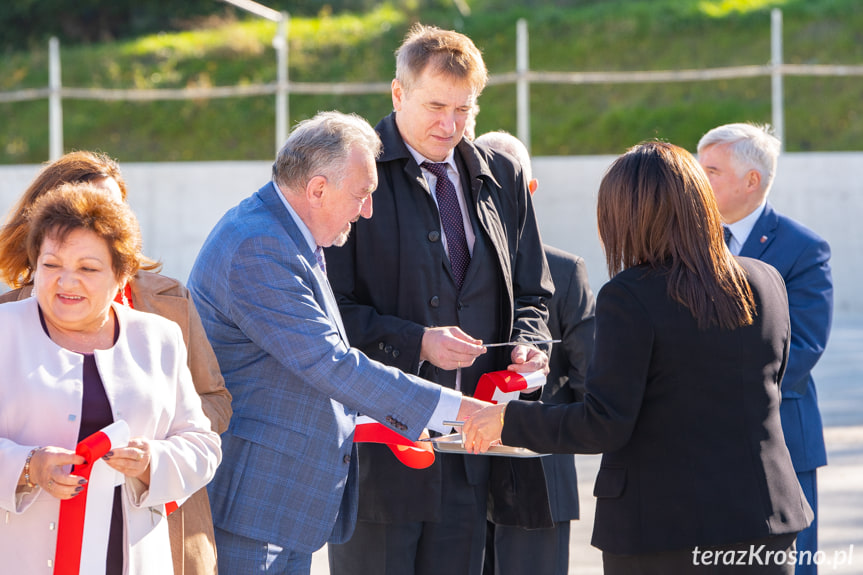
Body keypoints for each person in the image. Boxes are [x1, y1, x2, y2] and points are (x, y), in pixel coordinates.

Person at [463, 142, 813, 574]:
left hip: (664, 530)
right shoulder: (766, 279)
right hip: (767, 518)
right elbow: (770, 384)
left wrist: (508, 419)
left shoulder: (631, 295)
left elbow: (604, 423)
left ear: (629, 216)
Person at [186, 110, 489, 574]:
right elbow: (331, 363)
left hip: (281, 504)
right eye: (362, 194)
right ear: (317, 189)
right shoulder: (259, 246)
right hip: (255, 506)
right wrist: (463, 411)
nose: (367, 210)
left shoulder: (284, 233)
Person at [325, 25, 554, 575]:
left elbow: (534, 293)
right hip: (378, 453)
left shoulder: (502, 173)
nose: (449, 125)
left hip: (475, 454)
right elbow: (326, 312)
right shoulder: (346, 173)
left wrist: (526, 346)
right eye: (434, 106)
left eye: (464, 110)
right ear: (398, 94)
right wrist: (417, 341)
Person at [0, 150, 231, 575]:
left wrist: (152, 463)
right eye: (52, 264)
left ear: (122, 274)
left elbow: (202, 442)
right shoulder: (3, 329)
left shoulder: (159, 336)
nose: (66, 281)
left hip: (135, 556)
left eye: (87, 268)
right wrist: (27, 466)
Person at [697, 123, 833, 574]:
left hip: (782, 440)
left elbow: (804, 347)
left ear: (751, 180)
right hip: (703, 443)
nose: (699, 178)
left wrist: (723, 397)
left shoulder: (803, 249)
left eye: (712, 170)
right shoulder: (691, 245)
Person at [475, 130, 596, 575]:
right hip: (460, 482)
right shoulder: (447, 271)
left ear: (532, 190)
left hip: (540, 481)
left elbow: (591, 381)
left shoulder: (564, 272)